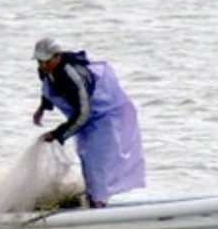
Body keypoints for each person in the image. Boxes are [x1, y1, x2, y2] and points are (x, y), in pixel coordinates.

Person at [31, 37, 145, 208]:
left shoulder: (72, 76)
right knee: (85, 154)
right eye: (39, 61)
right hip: (85, 117)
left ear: (57, 56)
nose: (42, 66)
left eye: (46, 61)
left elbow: (84, 113)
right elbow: (49, 88)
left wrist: (57, 134)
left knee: (96, 158)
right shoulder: (46, 70)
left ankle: (98, 203)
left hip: (103, 115)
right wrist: (42, 108)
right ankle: (93, 199)